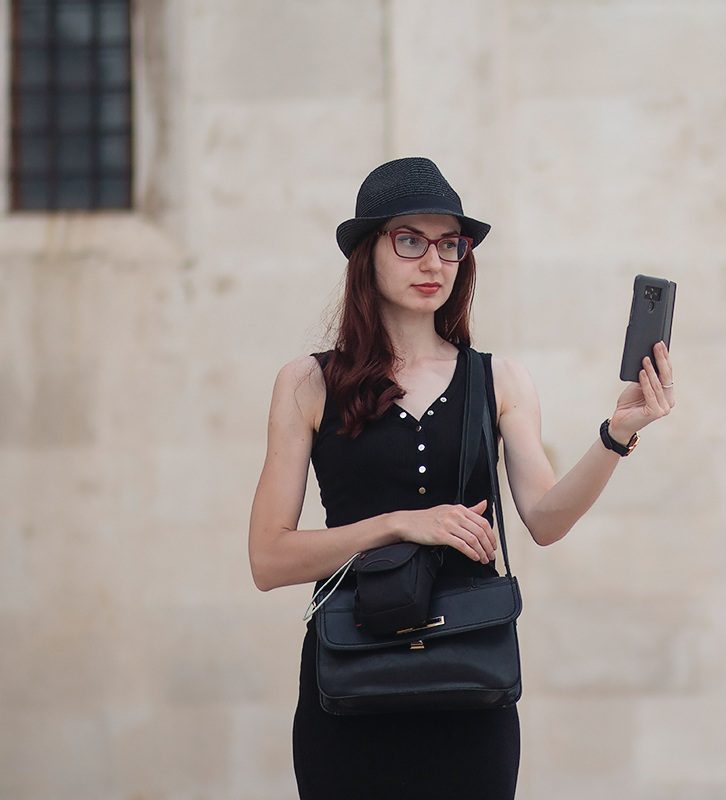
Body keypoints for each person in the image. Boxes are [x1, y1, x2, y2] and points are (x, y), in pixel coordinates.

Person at [246, 157, 677, 799]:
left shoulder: (499, 379)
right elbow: (268, 558)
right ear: (367, 253)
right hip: (349, 687)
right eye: (410, 241)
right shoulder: (308, 382)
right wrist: (401, 525)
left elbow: (546, 519)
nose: (434, 262)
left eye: (450, 244)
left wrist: (615, 435)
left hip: (471, 686)